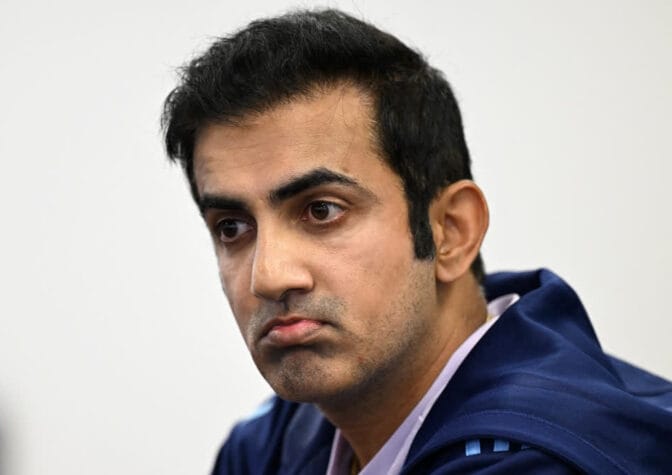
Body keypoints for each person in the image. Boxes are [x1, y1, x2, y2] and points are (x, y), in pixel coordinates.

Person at [162, 9, 672, 474]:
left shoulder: (545, 461)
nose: (268, 276)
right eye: (232, 227)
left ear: (451, 231)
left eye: (322, 211)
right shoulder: (271, 444)